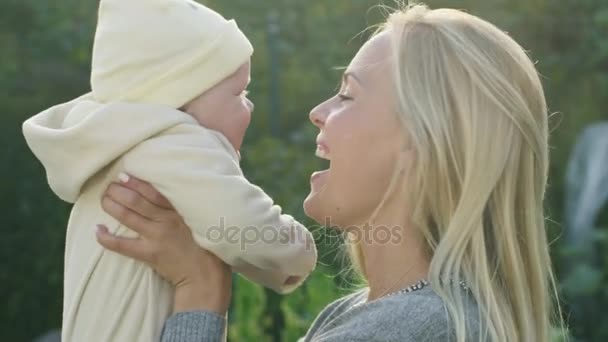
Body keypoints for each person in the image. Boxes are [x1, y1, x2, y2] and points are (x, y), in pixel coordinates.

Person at [96, 3, 566, 342]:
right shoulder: (379, 313)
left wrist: (200, 288)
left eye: (347, 95)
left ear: (422, 140)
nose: (318, 112)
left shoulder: (413, 327)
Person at [22, 0, 316, 341]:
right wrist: (298, 251)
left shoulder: (112, 151)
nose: (249, 105)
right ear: (181, 98)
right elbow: (241, 224)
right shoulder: (175, 142)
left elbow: (221, 236)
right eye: (240, 92)